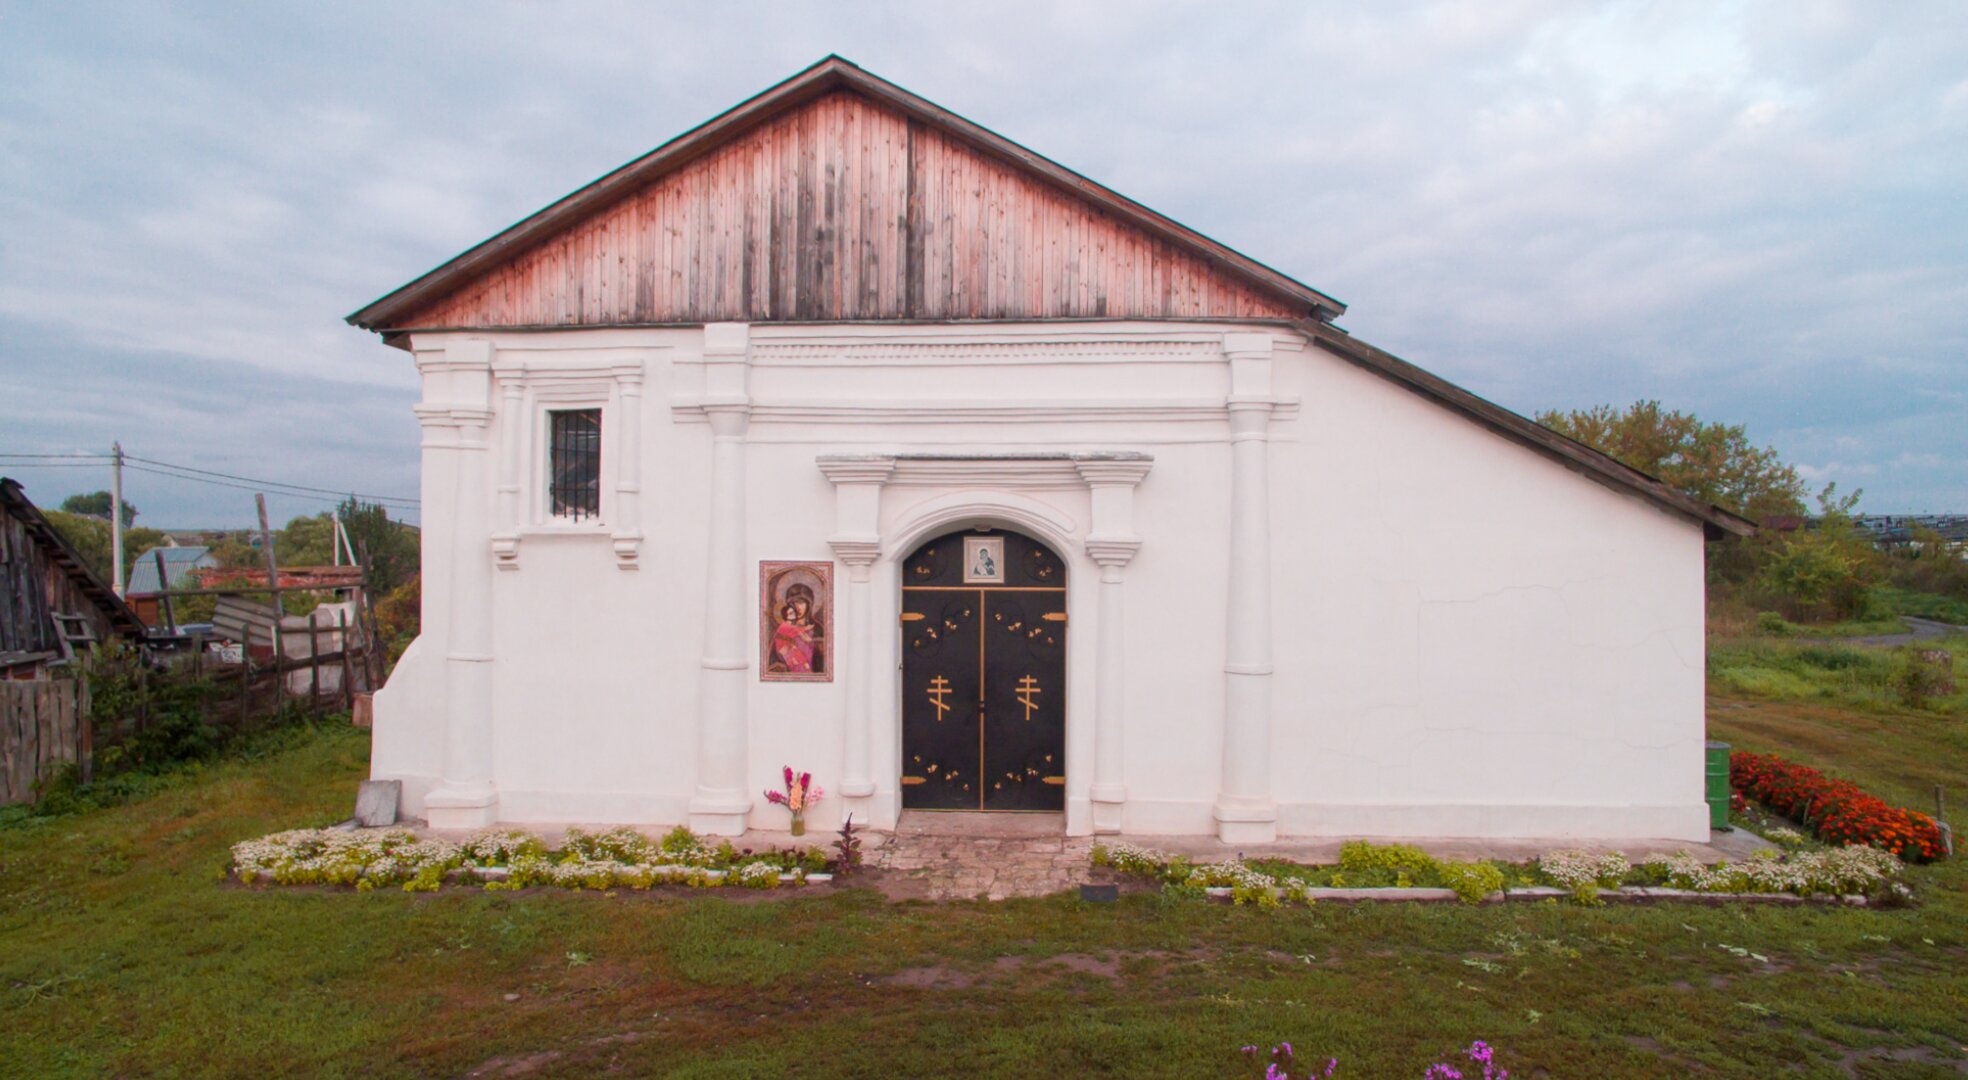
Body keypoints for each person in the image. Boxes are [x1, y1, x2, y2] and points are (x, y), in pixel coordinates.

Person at [770, 583, 821, 673]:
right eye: (793, 603)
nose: (797, 607)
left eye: (800, 602)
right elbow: (773, 660)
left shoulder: (818, 629)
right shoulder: (784, 629)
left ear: (809, 604)